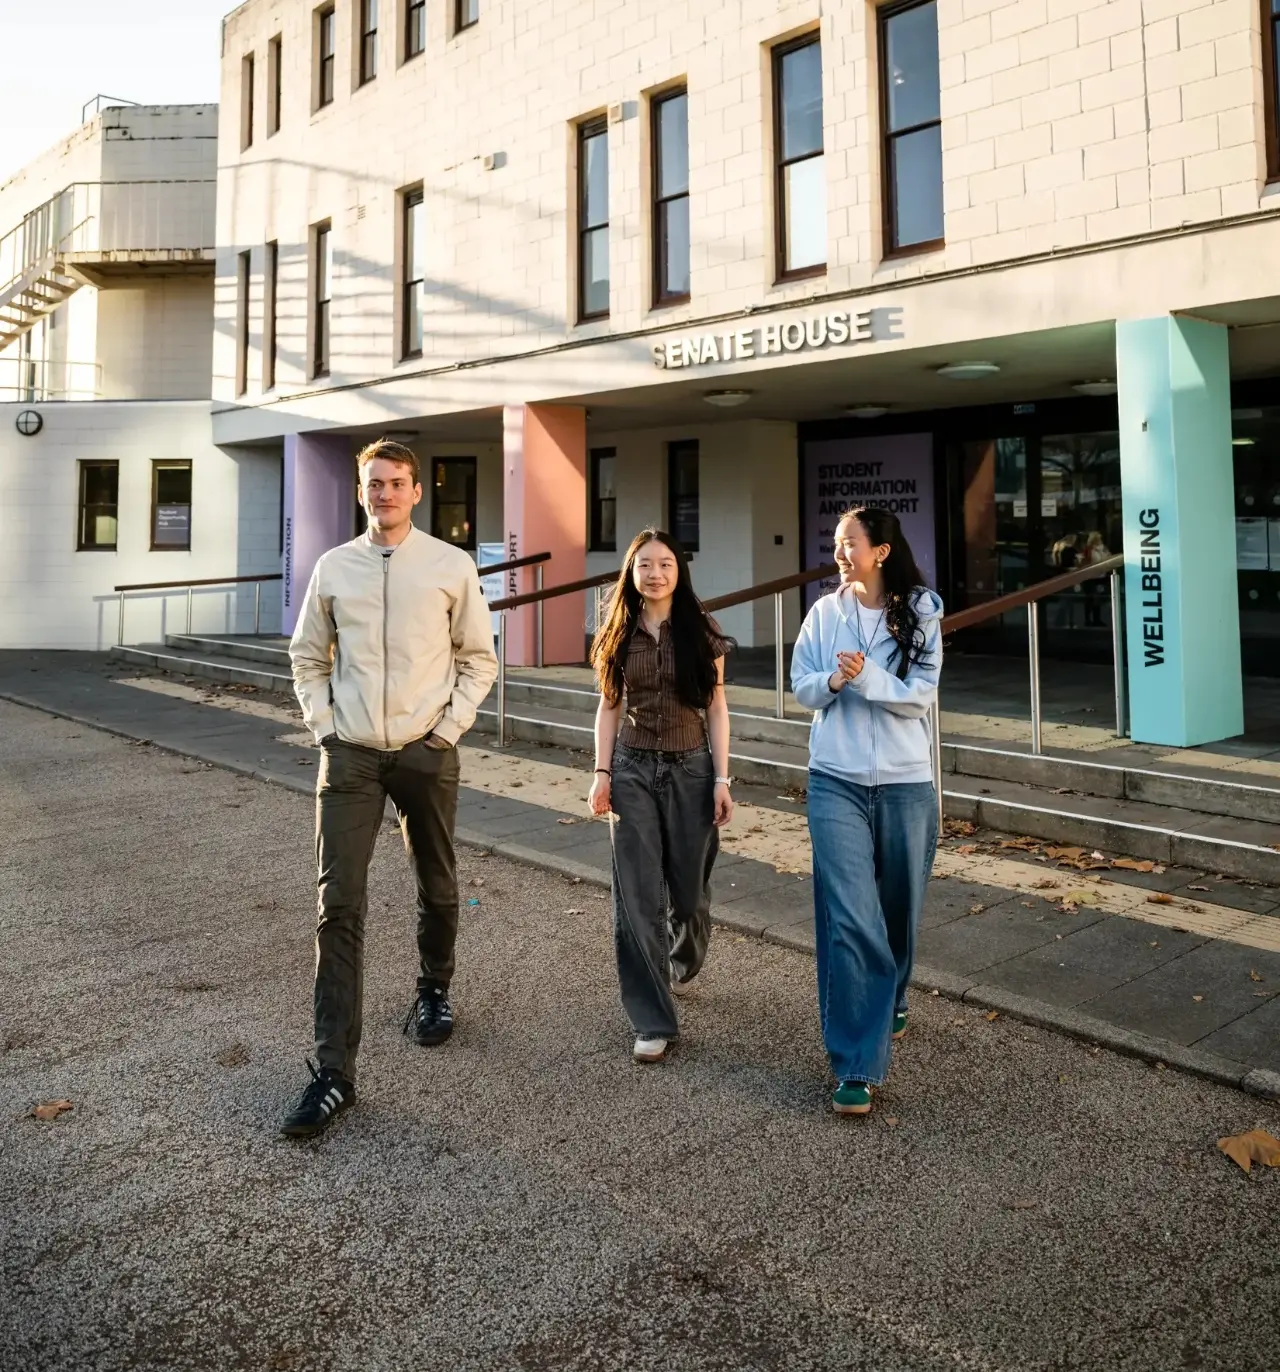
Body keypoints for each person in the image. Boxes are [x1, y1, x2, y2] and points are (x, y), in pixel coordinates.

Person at [281, 439, 498, 1137]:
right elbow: (307, 655)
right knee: (337, 904)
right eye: (375, 483)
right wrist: (325, 728)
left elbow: (478, 658)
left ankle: (434, 987)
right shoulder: (333, 567)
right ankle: (333, 1072)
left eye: (397, 483)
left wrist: (446, 733)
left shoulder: (448, 565)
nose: (385, 494)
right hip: (350, 756)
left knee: (437, 884)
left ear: (415, 492)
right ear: (361, 490)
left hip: (423, 751)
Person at [790, 506, 942, 1117]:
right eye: (835, 543)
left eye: (849, 543)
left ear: (880, 551)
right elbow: (799, 683)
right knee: (852, 918)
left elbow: (921, 698)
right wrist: (830, 681)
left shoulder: (923, 610)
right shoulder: (824, 613)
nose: (839, 553)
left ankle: (892, 993)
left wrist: (867, 677)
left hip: (907, 784)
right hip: (835, 782)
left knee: (898, 915)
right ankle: (856, 1063)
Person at [587, 529, 734, 1064]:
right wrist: (601, 772)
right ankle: (652, 1018)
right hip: (631, 770)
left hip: (692, 770)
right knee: (638, 898)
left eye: (665, 563)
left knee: (688, 893)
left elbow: (717, 709)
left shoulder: (702, 630)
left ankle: (686, 954)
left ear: (679, 570)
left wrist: (722, 778)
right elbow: (609, 706)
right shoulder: (617, 633)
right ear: (631, 571)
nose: (654, 573)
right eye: (644, 564)